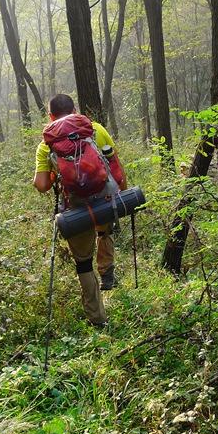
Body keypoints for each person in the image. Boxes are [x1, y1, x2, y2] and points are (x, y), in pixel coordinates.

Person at [33, 94, 126, 328]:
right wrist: (121, 193)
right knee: (104, 232)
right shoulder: (95, 129)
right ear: (75, 110)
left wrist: (57, 173)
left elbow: (42, 186)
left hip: (76, 208)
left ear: (50, 116)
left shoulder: (47, 145)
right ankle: (107, 274)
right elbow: (114, 165)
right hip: (104, 199)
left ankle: (97, 318)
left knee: (83, 262)